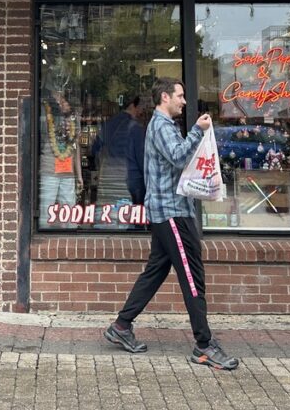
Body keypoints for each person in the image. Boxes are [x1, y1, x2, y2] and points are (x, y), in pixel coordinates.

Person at [103, 77, 239, 370]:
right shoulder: (162, 126)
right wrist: (198, 131)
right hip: (171, 212)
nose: (184, 101)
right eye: (180, 95)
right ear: (165, 97)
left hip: (172, 211)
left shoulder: (164, 126)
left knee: (156, 270)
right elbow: (178, 158)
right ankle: (204, 346)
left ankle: (121, 326)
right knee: (192, 276)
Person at [91, 93, 146, 226]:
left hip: (106, 180)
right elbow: (141, 159)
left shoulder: (109, 124)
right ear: (133, 105)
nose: (142, 111)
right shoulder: (136, 128)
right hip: (127, 181)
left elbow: (94, 149)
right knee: (127, 220)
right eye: (141, 107)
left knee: (106, 217)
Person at [38, 88, 83, 229]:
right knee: (46, 213)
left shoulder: (73, 119)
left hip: (68, 173)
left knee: (70, 215)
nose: (61, 101)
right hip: (49, 170)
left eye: (63, 99)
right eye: (58, 98)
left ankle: (70, 241)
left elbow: (76, 148)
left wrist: (79, 175)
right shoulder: (44, 114)